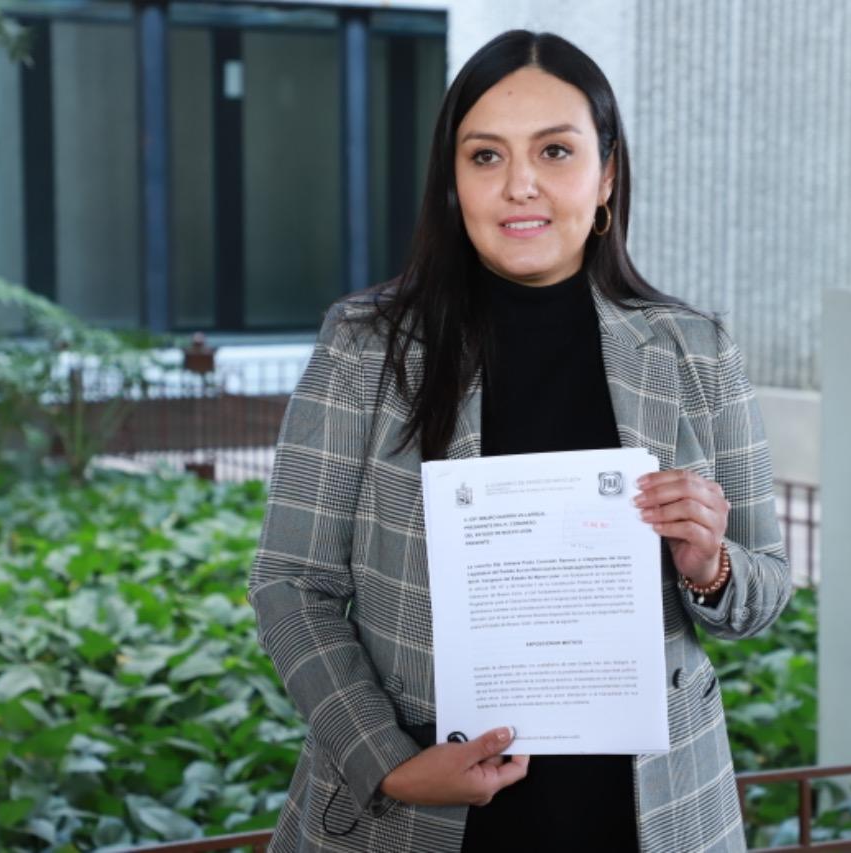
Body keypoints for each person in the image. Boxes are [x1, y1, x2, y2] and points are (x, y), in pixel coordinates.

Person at [248, 29, 792, 853]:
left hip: (650, 811)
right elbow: (292, 582)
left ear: (606, 176)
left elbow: (767, 586)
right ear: (453, 182)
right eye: (486, 156)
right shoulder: (366, 348)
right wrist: (390, 763)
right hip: (422, 808)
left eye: (555, 151)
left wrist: (710, 565)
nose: (519, 185)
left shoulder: (694, 351)